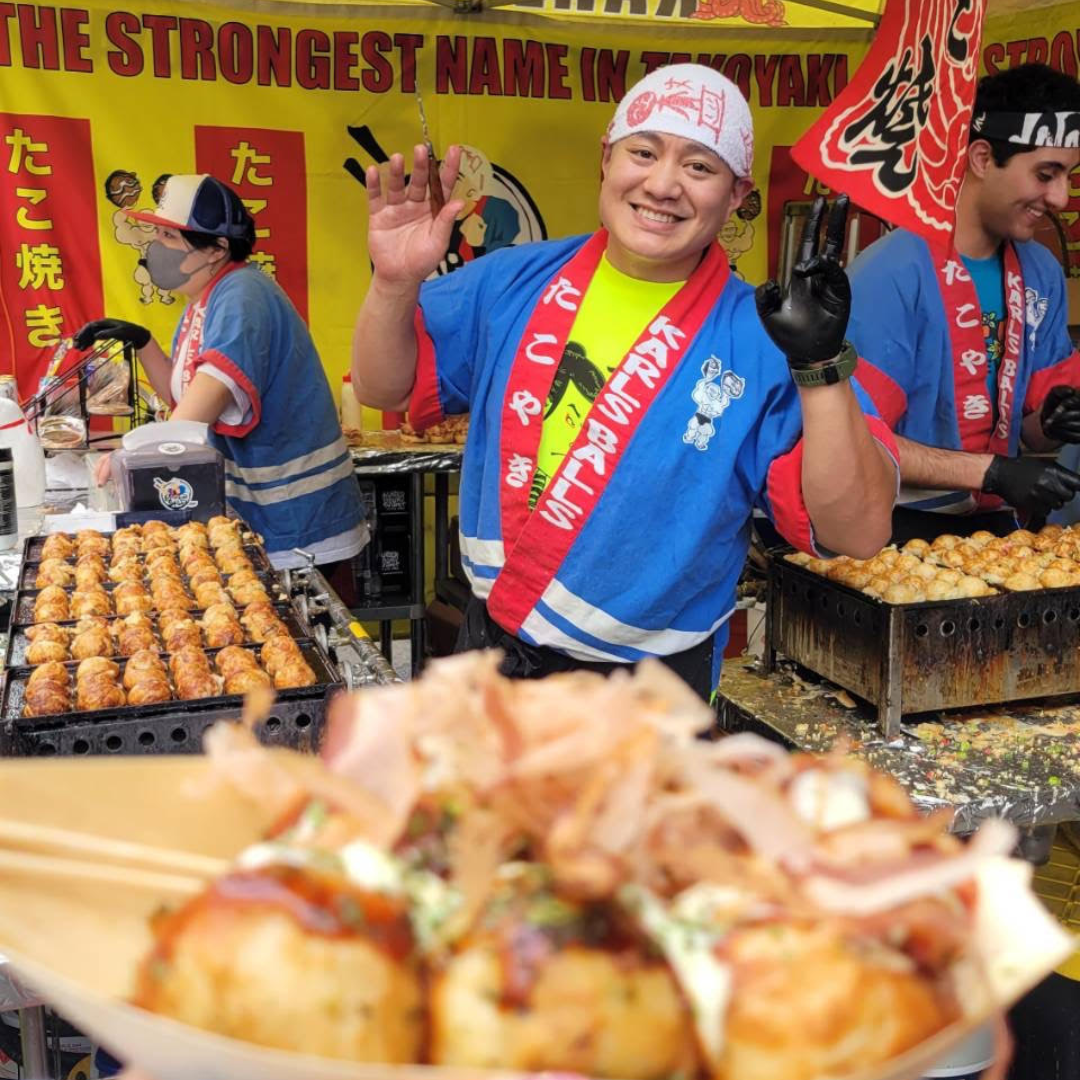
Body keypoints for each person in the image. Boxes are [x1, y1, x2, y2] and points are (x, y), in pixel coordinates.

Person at [352, 63, 899, 700]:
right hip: (491, 652)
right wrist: (394, 283)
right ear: (606, 162)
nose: (663, 184)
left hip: (646, 690)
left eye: (699, 167)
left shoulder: (763, 337)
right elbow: (382, 388)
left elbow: (857, 533)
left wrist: (822, 369)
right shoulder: (514, 280)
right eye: (643, 153)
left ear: (736, 193)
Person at [74, 174, 367, 571]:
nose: (156, 248)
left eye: (170, 238)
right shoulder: (202, 301)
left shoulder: (242, 293)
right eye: (157, 234)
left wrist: (136, 454)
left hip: (298, 525)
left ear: (216, 249)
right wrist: (143, 343)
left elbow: (203, 403)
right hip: (262, 517)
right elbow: (185, 401)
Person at [845, 63, 1080, 542]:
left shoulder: (1042, 274)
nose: (1060, 197)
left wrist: (1054, 422)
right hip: (886, 527)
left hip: (995, 528)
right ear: (980, 158)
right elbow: (855, 435)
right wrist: (991, 472)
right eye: (1045, 174)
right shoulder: (889, 273)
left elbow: (1034, 435)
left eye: (1068, 176)